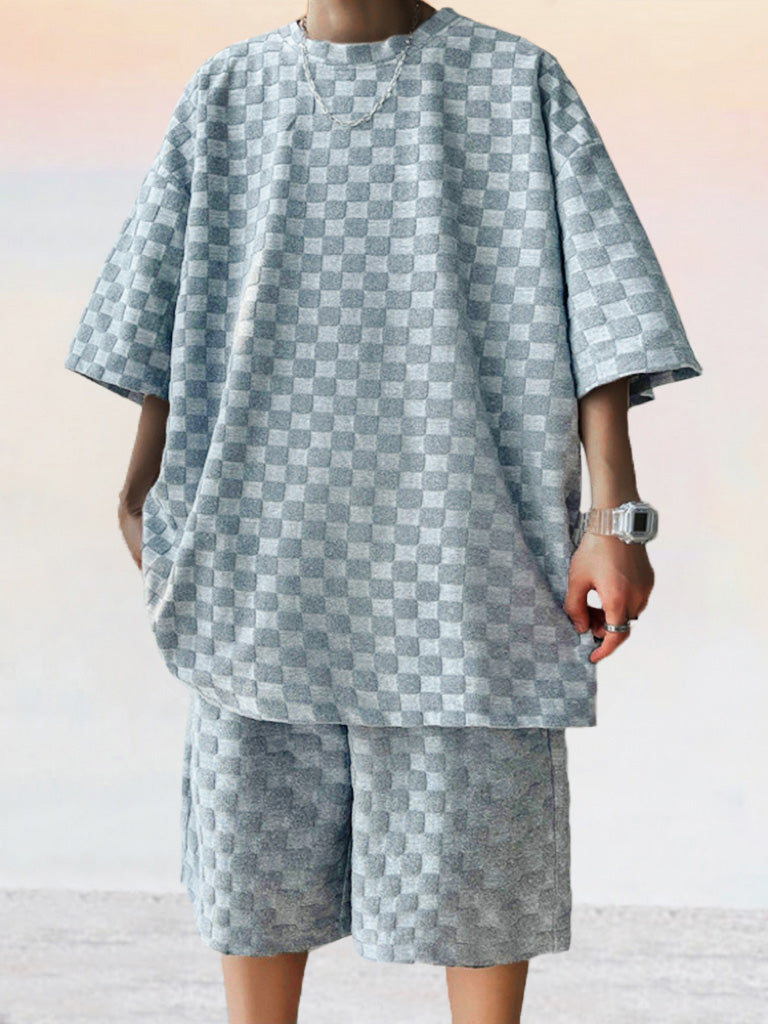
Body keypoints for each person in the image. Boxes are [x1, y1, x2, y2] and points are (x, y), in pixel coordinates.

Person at [64, 2, 703, 1022]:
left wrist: (613, 515)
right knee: (254, 882)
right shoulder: (227, 93)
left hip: (468, 556)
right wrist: (139, 491)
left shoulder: (516, 83)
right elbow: (162, 313)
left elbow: (603, 311)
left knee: (483, 885)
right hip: (257, 548)